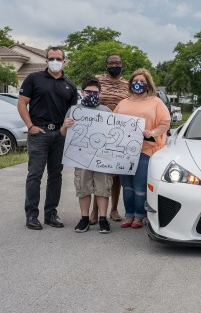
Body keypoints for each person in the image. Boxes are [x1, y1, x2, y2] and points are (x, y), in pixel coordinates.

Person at [17, 46, 78, 230]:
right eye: (52, 58)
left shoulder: (70, 85)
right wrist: (30, 126)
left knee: (55, 175)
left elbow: (73, 113)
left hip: (59, 135)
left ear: (64, 61)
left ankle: (51, 213)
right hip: (39, 134)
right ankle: (31, 215)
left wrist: (65, 131)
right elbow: (21, 104)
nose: (55, 61)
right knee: (35, 174)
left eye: (59, 58)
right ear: (46, 60)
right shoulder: (33, 79)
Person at [114, 69, 171, 229]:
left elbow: (165, 123)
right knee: (127, 186)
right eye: (135, 81)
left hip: (146, 150)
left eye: (142, 82)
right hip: (124, 152)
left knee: (140, 186)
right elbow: (113, 122)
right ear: (130, 83)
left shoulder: (156, 102)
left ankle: (140, 215)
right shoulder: (123, 102)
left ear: (148, 84)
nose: (138, 84)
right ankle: (129, 214)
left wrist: (152, 132)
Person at [60, 78, 113, 233]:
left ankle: (103, 219)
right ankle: (84, 219)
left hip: (102, 157)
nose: (91, 94)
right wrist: (65, 126)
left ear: (100, 93)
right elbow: (63, 134)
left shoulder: (106, 111)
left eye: (95, 92)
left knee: (103, 188)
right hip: (81, 157)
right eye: (88, 92)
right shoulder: (74, 110)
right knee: (83, 187)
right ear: (82, 92)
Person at [89, 54, 130, 225]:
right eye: (111, 63)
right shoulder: (97, 81)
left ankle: (113, 209)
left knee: (116, 175)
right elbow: (89, 101)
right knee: (98, 172)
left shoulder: (128, 84)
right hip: (99, 132)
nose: (115, 65)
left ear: (122, 65)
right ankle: (95, 210)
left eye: (117, 63)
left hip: (120, 134)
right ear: (106, 66)